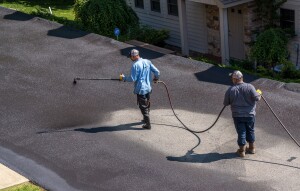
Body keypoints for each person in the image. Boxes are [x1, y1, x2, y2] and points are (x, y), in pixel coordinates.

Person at [223, 70, 262, 157]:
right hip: (250, 115)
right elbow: (257, 98)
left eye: (232, 79)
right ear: (242, 78)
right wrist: (259, 93)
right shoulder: (250, 87)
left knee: (241, 132)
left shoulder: (230, 90)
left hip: (238, 116)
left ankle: (241, 151)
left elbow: (226, 103)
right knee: (251, 130)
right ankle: (252, 149)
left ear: (234, 79)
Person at [120, 49, 160, 130]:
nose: (130, 58)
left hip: (141, 89)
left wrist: (123, 78)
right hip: (148, 88)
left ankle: (147, 124)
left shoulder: (135, 65)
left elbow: (132, 78)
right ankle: (146, 118)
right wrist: (156, 78)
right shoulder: (147, 61)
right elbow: (157, 72)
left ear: (134, 56)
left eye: (131, 57)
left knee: (143, 106)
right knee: (147, 102)